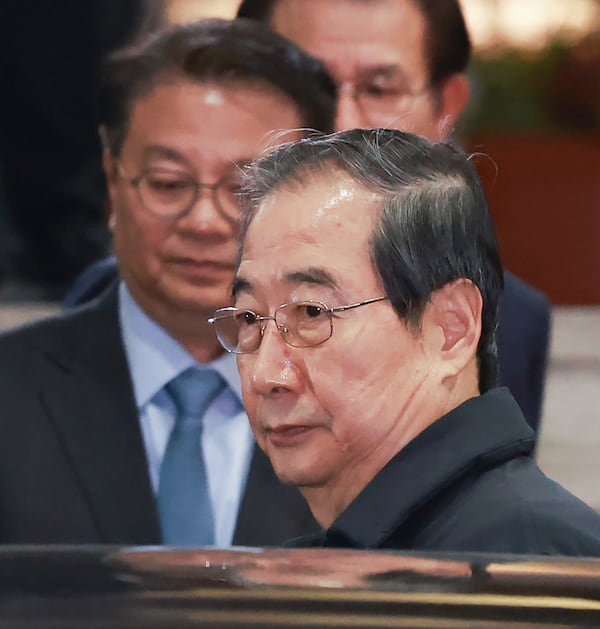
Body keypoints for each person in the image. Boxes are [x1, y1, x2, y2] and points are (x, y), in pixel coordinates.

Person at [0, 19, 336, 545]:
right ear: (113, 181)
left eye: (244, 188)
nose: (203, 221)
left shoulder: (367, 405)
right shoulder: (11, 393)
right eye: (168, 184)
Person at [211, 128, 600, 555]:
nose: (267, 375)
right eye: (250, 318)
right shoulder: (352, 553)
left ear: (451, 329)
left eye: (311, 313)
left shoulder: (531, 559)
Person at [235, 0, 551, 432]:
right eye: (312, 88)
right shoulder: (171, 280)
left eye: (380, 90)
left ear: (447, 105)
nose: (340, 125)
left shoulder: (506, 325)